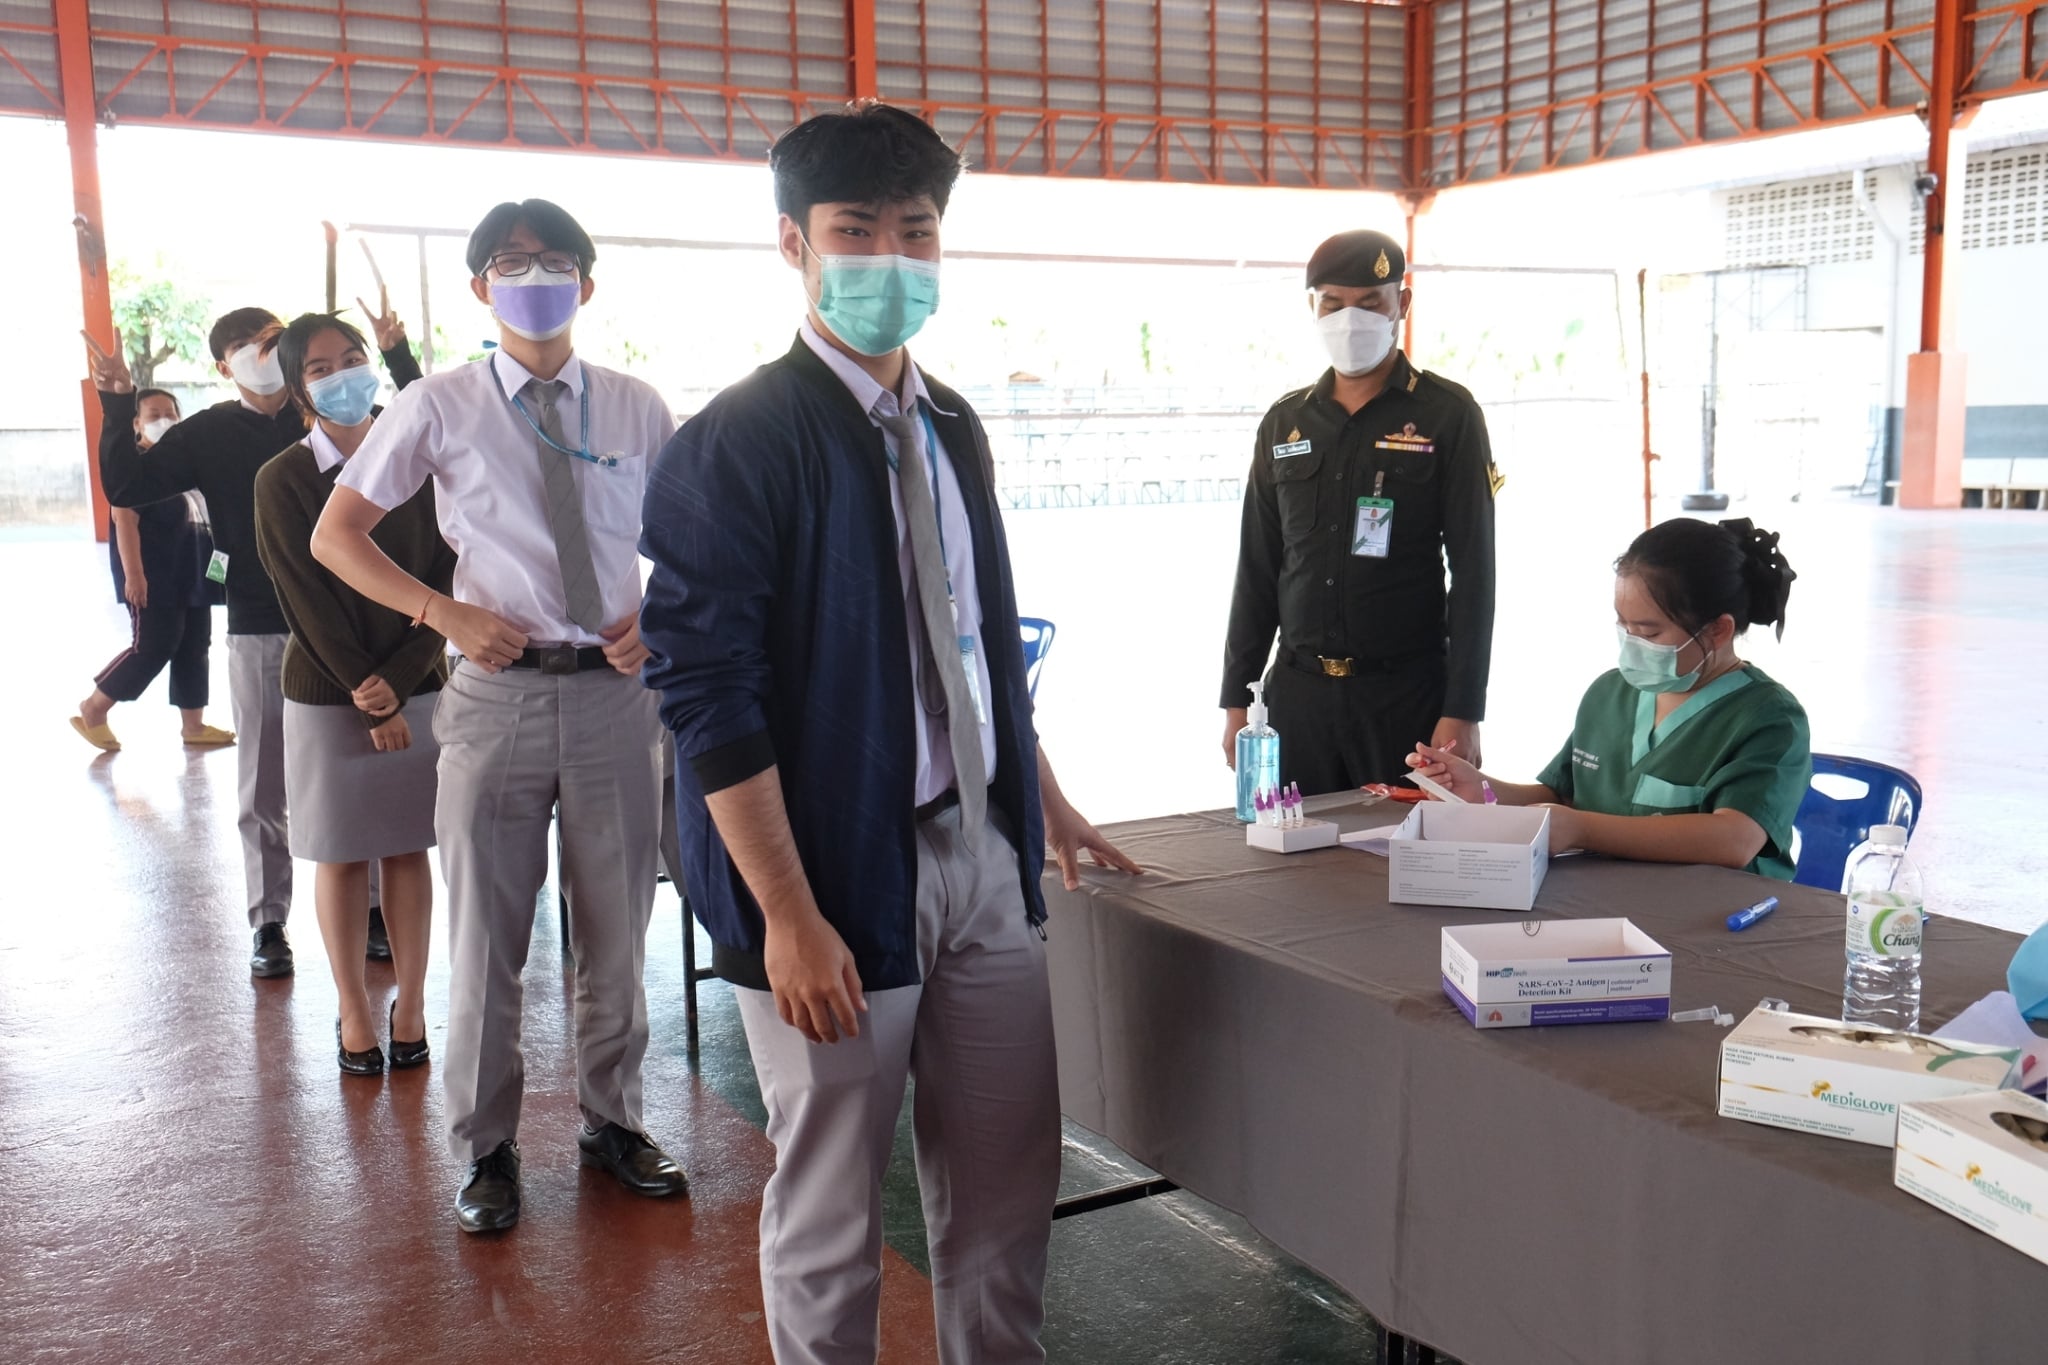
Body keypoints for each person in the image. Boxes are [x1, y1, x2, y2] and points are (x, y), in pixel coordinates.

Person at [639, 104, 1139, 1365]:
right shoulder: (736, 443)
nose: (888, 258)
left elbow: (971, 643)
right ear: (792, 248)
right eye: (853, 231)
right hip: (827, 871)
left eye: (913, 232)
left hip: (977, 853)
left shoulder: (950, 424)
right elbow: (708, 693)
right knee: (829, 1202)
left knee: (1006, 1180)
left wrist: (1042, 798)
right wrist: (788, 915)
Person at [311, 198, 686, 1231]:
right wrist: (441, 611)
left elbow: (700, 537)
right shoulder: (437, 404)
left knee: (617, 932)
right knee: (485, 936)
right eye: (511, 263)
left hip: (616, 699)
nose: (533, 276)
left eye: (554, 261)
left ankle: (612, 1123)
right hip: (495, 700)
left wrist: (656, 616)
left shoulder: (636, 406)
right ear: (480, 287)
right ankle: (485, 1150)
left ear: (587, 284)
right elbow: (337, 537)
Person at [87, 303, 422, 977]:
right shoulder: (209, 432)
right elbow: (127, 483)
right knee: (262, 779)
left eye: (268, 341)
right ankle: (269, 920)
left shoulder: (355, 425)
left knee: (369, 769)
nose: (257, 353)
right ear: (223, 364)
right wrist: (116, 399)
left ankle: (379, 911)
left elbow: (431, 431)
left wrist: (397, 356)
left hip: (359, 628)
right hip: (261, 621)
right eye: (242, 346)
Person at [1220, 229, 1499, 794]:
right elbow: (1257, 567)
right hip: (1297, 698)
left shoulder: (1448, 415)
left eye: (1370, 303)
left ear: (1403, 303)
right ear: (1313, 308)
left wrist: (1464, 708)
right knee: (1291, 867)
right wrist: (1236, 698)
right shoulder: (1285, 423)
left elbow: (1474, 573)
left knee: (1409, 866)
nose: (1351, 318)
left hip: (1407, 697)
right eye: (1334, 304)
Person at [254, 313, 455, 1075]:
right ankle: (352, 1006)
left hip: (416, 680)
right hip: (326, 690)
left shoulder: (422, 464)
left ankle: (412, 1002)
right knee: (337, 856)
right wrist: (367, 693)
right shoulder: (282, 479)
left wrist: (400, 683)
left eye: (353, 358)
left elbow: (445, 581)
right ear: (299, 389)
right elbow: (302, 597)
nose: (342, 376)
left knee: (408, 849)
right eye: (320, 368)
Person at [1408, 517, 1810, 880]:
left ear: (1718, 630)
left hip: (1719, 922)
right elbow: (1562, 797)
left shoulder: (1768, 718)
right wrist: (1482, 790)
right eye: (1624, 626)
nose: (1633, 643)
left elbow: (1734, 840)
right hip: (1606, 903)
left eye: (1650, 633)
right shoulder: (1610, 693)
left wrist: (1582, 829)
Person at [72, 388, 234, 752]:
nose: (164, 419)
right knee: (154, 645)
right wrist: (134, 576)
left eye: (170, 413)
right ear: (135, 422)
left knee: (194, 646)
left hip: (192, 573)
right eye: (153, 413)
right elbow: (124, 521)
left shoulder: (183, 464)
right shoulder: (136, 468)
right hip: (152, 576)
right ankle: (94, 708)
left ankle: (193, 724)